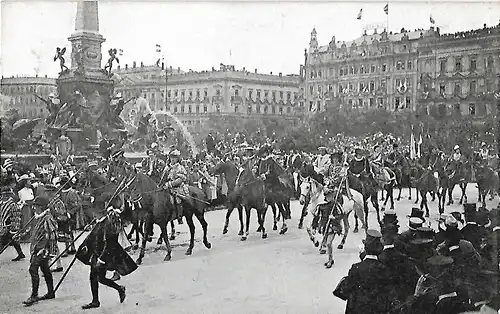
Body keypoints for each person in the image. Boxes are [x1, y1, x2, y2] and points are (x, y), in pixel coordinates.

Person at [76, 192, 136, 309]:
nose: (93, 215)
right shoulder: (100, 222)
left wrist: (101, 260)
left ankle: (96, 301)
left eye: (94, 212)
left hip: (104, 256)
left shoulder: (108, 224)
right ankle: (119, 289)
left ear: (99, 212)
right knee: (100, 278)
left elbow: (110, 244)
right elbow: (94, 238)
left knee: (95, 277)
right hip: (97, 254)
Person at [333, 229, 391, 313]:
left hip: (358, 308)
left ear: (365, 249)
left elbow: (345, 290)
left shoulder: (356, 268)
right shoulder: (384, 269)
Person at [22, 196, 58, 306]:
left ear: (41, 207)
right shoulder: (38, 217)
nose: (34, 208)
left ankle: (34, 296)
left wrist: (46, 249)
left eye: (36, 206)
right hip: (37, 248)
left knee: (33, 269)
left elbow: (52, 235)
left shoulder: (47, 218)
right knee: (45, 269)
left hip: (42, 249)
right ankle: (51, 292)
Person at [163, 149, 188, 224]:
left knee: (177, 199)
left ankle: (179, 216)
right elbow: (163, 177)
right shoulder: (167, 168)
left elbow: (181, 179)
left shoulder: (180, 167)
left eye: (174, 157)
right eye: (171, 157)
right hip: (167, 187)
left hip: (178, 187)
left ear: (177, 159)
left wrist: (170, 184)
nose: (172, 159)